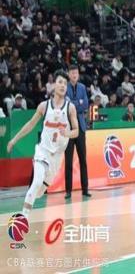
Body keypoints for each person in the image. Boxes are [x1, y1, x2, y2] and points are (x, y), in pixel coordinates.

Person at [6, 70, 79, 218]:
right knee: (37, 180)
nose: (63, 86)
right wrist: (14, 140)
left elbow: (76, 131)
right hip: (43, 151)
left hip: (57, 156)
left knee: (40, 192)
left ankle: (30, 200)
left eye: (65, 83)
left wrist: (67, 133)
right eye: (60, 82)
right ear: (53, 85)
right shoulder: (44, 106)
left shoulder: (70, 108)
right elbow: (30, 124)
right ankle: (23, 217)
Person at [65, 65, 91, 199]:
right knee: (68, 161)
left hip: (80, 127)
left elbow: (85, 105)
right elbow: (67, 105)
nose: (74, 75)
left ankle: (85, 189)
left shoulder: (82, 87)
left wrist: (75, 104)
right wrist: (78, 103)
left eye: (76, 72)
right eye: (72, 72)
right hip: (68, 129)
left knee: (83, 160)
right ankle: (68, 191)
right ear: (69, 74)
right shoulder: (64, 87)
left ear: (78, 74)